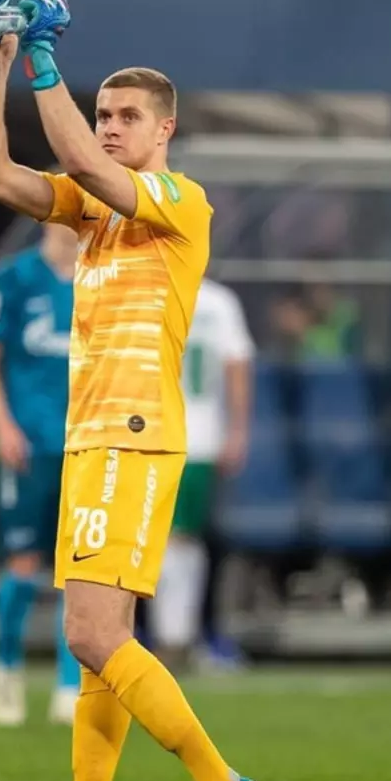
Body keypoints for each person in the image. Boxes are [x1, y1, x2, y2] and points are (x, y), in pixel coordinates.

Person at [0, 0, 270, 781]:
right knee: (98, 648)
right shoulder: (94, 209)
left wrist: (42, 63)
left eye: (125, 115)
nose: (107, 127)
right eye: (102, 113)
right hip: (92, 437)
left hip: (133, 436)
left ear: (165, 130)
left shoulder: (182, 202)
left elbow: (89, 167)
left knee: (94, 636)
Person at [0, 222, 81, 727]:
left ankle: (70, 686)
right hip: (29, 443)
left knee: (77, 568)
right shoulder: (12, 277)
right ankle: (6, 669)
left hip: (84, 443)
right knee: (22, 560)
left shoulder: (101, 273)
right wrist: (3, 426)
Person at [152, 277, 253, 669]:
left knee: (174, 539)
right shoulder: (217, 301)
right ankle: (175, 636)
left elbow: (236, 364)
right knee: (178, 539)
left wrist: (237, 431)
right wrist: (238, 429)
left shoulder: (153, 292)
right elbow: (237, 366)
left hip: (172, 435)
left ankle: (174, 637)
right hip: (193, 436)